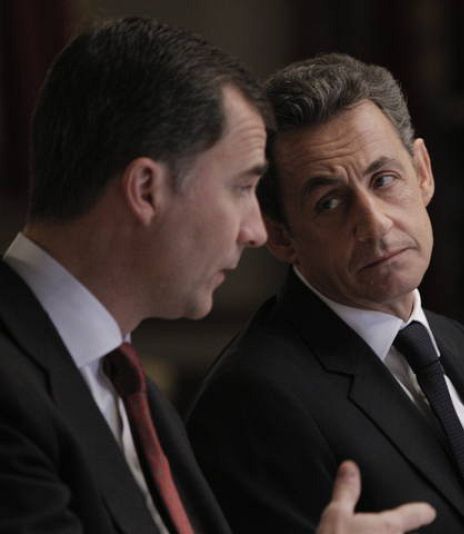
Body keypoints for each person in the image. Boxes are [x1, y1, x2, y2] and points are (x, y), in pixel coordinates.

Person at [0, 17, 434, 533]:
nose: (256, 231)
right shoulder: (14, 387)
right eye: (241, 187)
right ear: (146, 190)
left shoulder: (131, 387)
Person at [186, 53, 464, 534]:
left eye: (383, 180)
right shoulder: (252, 402)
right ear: (279, 236)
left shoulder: (455, 345)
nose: (374, 223)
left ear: (422, 172)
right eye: (329, 202)